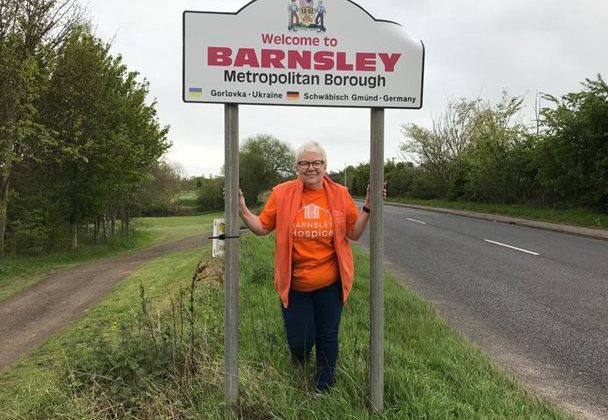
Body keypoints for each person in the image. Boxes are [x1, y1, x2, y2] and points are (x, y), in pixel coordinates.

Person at [238, 141, 376, 392]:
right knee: (300, 340)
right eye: (304, 163)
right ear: (296, 168)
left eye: (316, 163)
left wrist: (367, 207)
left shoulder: (339, 194)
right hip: (295, 284)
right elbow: (262, 228)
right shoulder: (282, 193)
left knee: (327, 335)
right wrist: (243, 210)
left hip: (330, 283)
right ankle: (300, 359)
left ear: (325, 166)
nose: (310, 168)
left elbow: (354, 233)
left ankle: (324, 386)